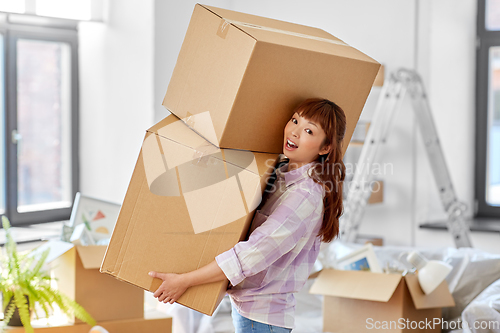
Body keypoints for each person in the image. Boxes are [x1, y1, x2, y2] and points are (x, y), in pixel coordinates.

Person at [148, 98, 347, 332]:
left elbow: (252, 254)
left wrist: (184, 281)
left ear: (325, 148)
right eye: (294, 120)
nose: (294, 132)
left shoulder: (304, 195)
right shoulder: (280, 172)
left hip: (263, 318)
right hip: (251, 311)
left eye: (308, 130)